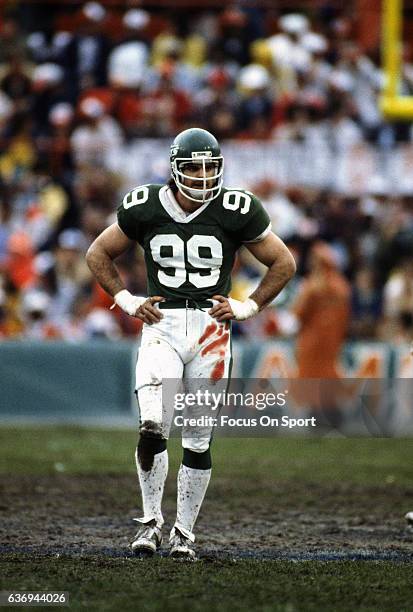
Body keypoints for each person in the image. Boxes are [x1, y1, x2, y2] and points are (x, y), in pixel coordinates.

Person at [86, 127, 296, 560]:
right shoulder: (145, 204)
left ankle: (184, 533)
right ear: (174, 168)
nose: (202, 176)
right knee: (152, 427)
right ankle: (149, 524)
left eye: (210, 167)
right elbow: (97, 253)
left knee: (198, 439)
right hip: (161, 324)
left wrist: (248, 307)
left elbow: (283, 262)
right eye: (193, 167)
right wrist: (126, 300)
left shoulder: (237, 207)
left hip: (210, 332)